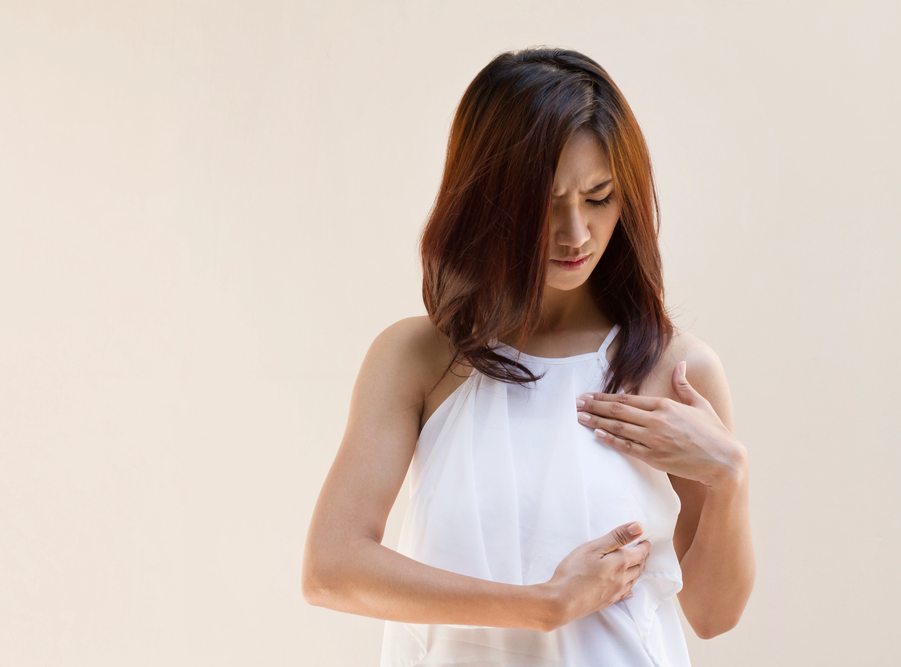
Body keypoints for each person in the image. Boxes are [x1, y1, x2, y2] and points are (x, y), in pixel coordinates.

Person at [301, 47, 755, 666]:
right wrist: (543, 605)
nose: (576, 233)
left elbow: (712, 616)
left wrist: (729, 477)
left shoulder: (672, 369)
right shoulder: (419, 359)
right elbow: (331, 568)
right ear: (487, 198)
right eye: (545, 202)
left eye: (599, 197)